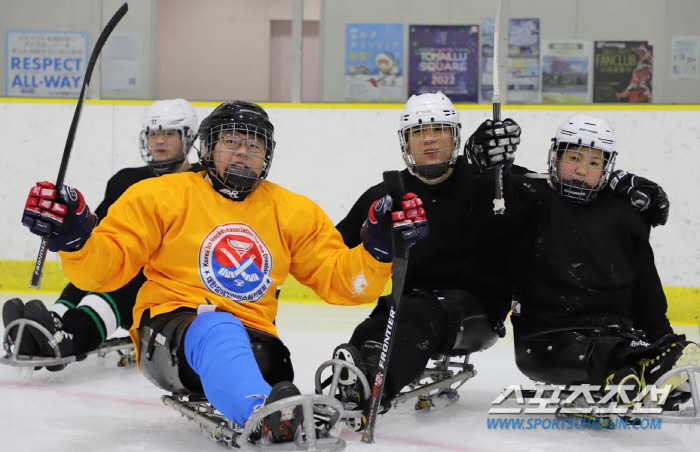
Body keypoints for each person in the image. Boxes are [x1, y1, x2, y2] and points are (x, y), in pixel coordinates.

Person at [18, 101, 428, 445]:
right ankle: (264, 415)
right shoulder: (161, 196)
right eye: (231, 142)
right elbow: (106, 269)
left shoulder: (293, 211)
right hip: (169, 338)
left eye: (254, 145)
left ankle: (265, 399)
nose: (242, 153)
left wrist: (376, 249)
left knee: (262, 355)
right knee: (217, 327)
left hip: (258, 345)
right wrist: (75, 237)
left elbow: (343, 282)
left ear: (267, 155)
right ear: (208, 148)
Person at [328, 93, 673, 428]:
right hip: (407, 302)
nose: (430, 141)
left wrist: (620, 183)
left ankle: (375, 382)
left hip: (476, 305)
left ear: (456, 137)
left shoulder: (487, 177)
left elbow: (562, 186)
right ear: (405, 141)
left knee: (422, 315)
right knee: (374, 327)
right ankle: (349, 377)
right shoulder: (389, 193)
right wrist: (367, 242)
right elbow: (328, 249)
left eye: (440, 131)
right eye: (419, 133)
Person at [466, 112, 699, 406]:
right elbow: (490, 199)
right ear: (555, 157)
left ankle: (633, 372)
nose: (581, 170)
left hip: (616, 332)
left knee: (652, 349)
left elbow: (645, 288)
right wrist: (484, 160)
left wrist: (662, 338)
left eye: (593, 163)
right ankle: (633, 371)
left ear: (607, 169)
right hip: (547, 339)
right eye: (573, 158)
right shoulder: (528, 195)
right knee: (612, 353)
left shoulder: (623, 213)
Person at [3, 98, 202, 372]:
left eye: (168, 133)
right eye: (154, 134)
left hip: (167, 285)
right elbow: (100, 236)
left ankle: (71, 335)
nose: (159, 142)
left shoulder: (203, 182)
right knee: (98, 265)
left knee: (128, 274)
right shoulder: (125, 180)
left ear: (188, 137)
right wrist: (70, 221)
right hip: (129, 269)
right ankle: (51, 323)